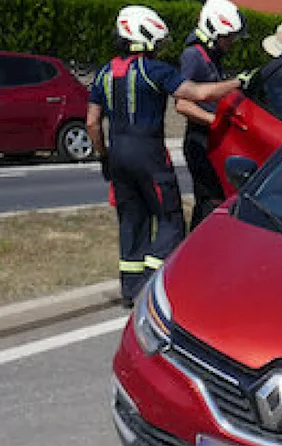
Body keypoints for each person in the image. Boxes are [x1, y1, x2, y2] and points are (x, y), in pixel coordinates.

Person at [87, 5, 246, 306]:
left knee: (131, 221)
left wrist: (104, 155)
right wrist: (239, 82)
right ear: (145, 39)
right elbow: (198, 94)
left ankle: (131, 290)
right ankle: (154, 285)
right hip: (149, 154)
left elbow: (92, 122)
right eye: (158, 44)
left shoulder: (103, 74)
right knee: (170, 219)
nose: (160, 49)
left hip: (118, 156)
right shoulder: (155, 70)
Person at [177, 0, 247, 231]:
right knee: (208, 201)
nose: (232, 42)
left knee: (216, 199)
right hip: (198, 139)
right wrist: (214, 121)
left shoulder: (211, 55)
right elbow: (183, 104)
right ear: (213, 31)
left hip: (210, 137)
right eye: (229, 37)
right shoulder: (192, 56)